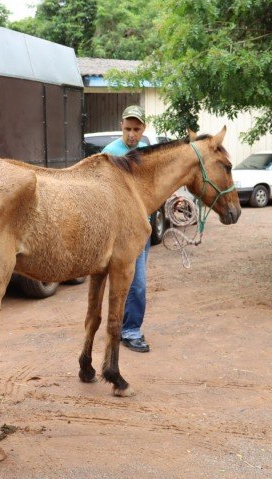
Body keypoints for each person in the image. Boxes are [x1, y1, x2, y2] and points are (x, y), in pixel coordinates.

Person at [101, 105, 151, 353]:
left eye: (137, 129)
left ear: (144, 129)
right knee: (136, 284)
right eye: (128, 128)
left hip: (144, 226)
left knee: (135, 283)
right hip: (123, 231)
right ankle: (129, 331)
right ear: (121, 125)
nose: (132, 133)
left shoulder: (146, 152)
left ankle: (125, 328)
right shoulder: (111, 153)